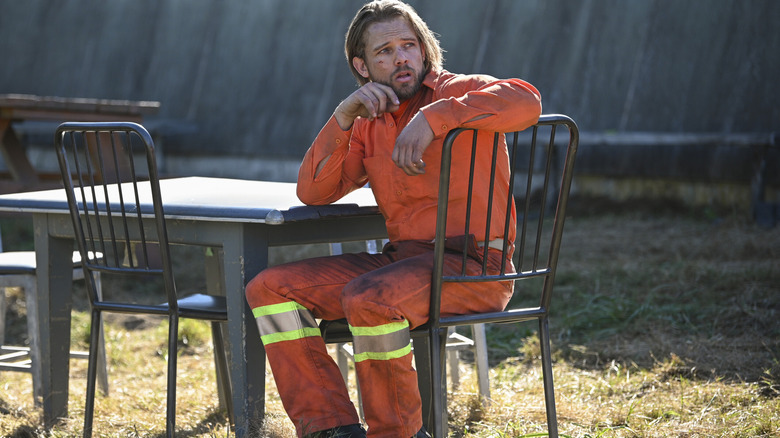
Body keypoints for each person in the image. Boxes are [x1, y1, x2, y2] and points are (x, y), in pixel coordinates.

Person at [245, 1, 542, 437]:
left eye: (408, 45)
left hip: (476, 267)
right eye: (384, 51)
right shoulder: (368, 121)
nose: (401, 57)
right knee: (269, 288)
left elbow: (528, 102)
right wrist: (342, 118)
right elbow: (314, 191)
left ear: (424, 50)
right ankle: (331, 428)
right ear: (362, 66)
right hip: (403, 263)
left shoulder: (458, 90)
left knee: (371, 299)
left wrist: (435, 118)